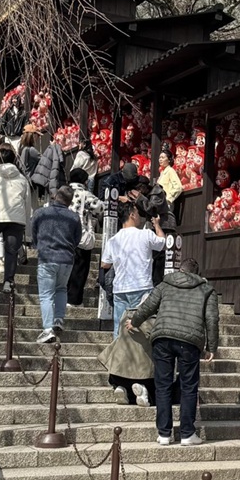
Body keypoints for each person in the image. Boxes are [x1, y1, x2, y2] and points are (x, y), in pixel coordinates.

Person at [126, 258, 219, 445]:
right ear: (197, 273)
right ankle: (187, 434)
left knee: (163, 385)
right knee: (189, 387)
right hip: (190, 341)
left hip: (163, 337)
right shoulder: (207, 290)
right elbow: (212, 320)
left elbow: (148, 306)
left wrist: (134, 322)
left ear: (180, 270)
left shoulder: (165, 284)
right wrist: (211, 347)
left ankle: (164, 434)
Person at [100, 201, 165, 337]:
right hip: (141, 286)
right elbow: (162, 242)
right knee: (141, 325)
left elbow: (105, 264)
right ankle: (138, 357)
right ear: (132, 215)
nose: (139, 216)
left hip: (120, 288)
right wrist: (157, 225)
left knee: (119, 326)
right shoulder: (145, 234)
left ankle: (117, 356)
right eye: (137, 213)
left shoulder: (113, 240)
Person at [31, 186, 82, 343]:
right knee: (61, 289)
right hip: (66, 259)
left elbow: (34, 233)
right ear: (70, 201)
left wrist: (37, 245)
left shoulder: (40, 213)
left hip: (47, 256)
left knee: (46, 294)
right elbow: (77, 238)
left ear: (55, 196)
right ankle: (58, 319)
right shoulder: (74, 217)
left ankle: (47, 329)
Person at [0, 145, 32, 293]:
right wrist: (27, 229)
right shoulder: (22, 179)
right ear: (15, 159)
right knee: (11, 251)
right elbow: (27, 204)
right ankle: (8, 281)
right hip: (17, 218)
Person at [98, 308, 156, 406]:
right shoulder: (154, 320)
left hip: (118, 372)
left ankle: (122, 388)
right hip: (143, 374)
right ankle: (142, 391)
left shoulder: (125, 314)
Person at [66, 168, 104, 307]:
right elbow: (100, 207)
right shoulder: (84, 194)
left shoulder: (63, 191)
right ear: (84, 180)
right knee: (80, 268)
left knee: (66, 267)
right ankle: (74, 299)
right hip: (79, 235)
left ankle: (62, 297)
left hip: (62, 235)